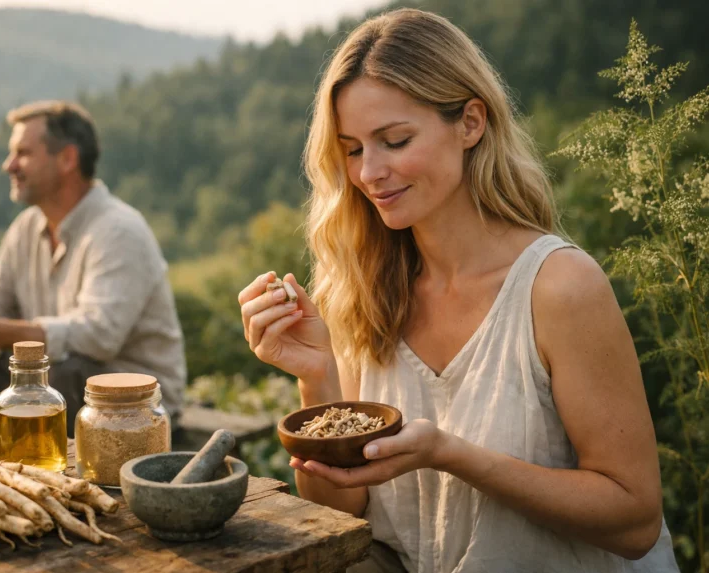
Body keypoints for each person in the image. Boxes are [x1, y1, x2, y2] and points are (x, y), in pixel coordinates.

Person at [238, 9, 678, 573]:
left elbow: (635, 521)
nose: (369, 172)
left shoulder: (559, 287)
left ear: (470, 123)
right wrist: (317, 375)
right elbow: (341, 517)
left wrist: (452, 456)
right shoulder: (361, 291)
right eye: (351, 149)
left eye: (394, 140)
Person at [0, 100, 186, 436]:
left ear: (68, 159)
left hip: (135, 406)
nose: (9, 165)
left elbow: (99, 337)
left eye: (23, 153)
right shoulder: (26, 228)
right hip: (46, 386)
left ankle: (38, 484)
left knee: (69, 371)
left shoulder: (119, 230)